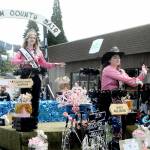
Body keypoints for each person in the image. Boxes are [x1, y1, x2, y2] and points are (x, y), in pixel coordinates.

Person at [11, 29, 65, 129]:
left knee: (35, 98)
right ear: (27, 39)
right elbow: (13, 61)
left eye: (34, 37)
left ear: (36, 40)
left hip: (36, 76)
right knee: (25, 97)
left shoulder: (39, 52)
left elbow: (44, 64)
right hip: (25, 76)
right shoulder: (21, 51)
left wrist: (55, 64)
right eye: (31, 37)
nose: (32, 39)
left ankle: (34, 120)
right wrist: (25, 61)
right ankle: (25, 120)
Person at [100, 46, 148, 149]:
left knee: (121, 123)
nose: (118, 59)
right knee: (113, 124)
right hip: (109, 99)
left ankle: (118, 145)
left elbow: (132, 82)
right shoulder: (108, 69)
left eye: (119, 57)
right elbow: (130, 81)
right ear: (109, 60)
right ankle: (112, 145)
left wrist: (143, 74)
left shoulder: (121, 71)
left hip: (118, 100)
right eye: (115, 57)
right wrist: (139, 78)